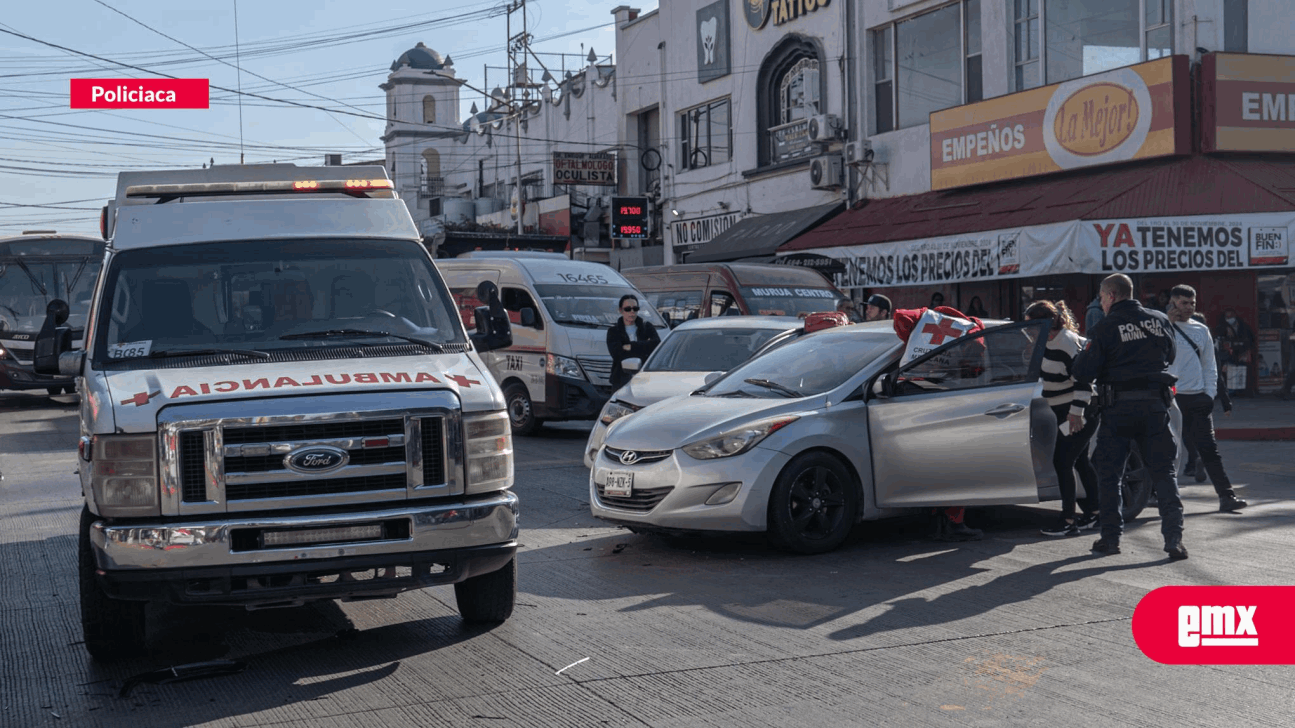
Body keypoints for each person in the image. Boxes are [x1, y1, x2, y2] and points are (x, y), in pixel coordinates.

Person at [1072, 273, 1186, 560]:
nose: (1101, 302)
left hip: (1118, 410)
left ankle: (1110, 540)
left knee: (1110, 477)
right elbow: (1170, 355)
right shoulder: (1159, 320)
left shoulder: (1104, 327)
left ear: (1111, 296)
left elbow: (1084, 372)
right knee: (1165, 475)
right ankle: (1174, 540)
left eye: (1101, 297)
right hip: (1155, 408)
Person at [1165, 285, 1248, 514]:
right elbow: (1156, 355)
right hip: (1171, 398)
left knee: (1209, 449)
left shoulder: (1201, 330)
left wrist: (1208, 395)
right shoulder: (1161, 326)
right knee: (1165, 449)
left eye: (1192, 303)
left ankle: (1226, 496)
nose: (1189, 307)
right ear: (1173, 302)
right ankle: (1158, 495)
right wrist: (1168, 326)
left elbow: (1210, 366)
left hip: (1197, 399)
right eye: (1184, 303)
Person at [1026, 301, 1100, 537]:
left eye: (1031, 326)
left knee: (1062, 461)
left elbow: (1084, 379)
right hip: (1065, 410)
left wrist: (1076, 413)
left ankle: (1068, 520)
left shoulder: (1066, 342)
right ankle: (1096, 512)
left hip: (1078, 411)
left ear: (1044, 323)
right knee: (1079, 461)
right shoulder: (1045, 342)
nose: (1028, 331)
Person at [1181, 312, 1231, 481]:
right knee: (1201, 433)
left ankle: (1193, 459)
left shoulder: (1180, 342)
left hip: (1184, 392)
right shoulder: (1209, 343)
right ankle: (1193, 463)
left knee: (1185, 431)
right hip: (1203, 394)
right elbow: (1216, 373)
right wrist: (1224, 402)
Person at [606, 294, 660, 389]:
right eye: (628, 309)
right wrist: (644, 347)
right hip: (621, 380)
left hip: (644, 379)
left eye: (635, 308)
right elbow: (617, 353)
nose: (632, 312)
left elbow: (656, 345)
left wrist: (630, 346)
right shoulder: (613, 331)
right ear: (621, 310)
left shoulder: (647, 327)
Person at [1216, 308, 1255, 396]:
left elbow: (1250, 339)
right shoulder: (1222, 327)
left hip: (1242, 351)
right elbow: (1219, 340)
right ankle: (1230, 391)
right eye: (1227, 317)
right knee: (1227, 371)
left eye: (1231, 316)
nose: (1229, 319)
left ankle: (1243, 391)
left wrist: (1245, 351)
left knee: (1242, 371)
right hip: (1228, 354)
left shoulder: (1243, 326)